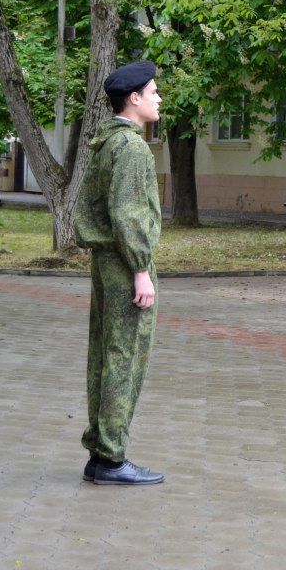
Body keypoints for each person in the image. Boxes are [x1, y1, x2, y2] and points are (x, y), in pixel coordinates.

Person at [73, 61, 165, 486]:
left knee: (106, 355)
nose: (159, 98)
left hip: (107, 262)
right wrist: (141, 270)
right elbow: (128, 216)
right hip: (124, 264)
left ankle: (100, 452)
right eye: (153, 92)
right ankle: (111, 458)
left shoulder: (107, 143)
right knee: (124, 358)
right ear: (134, 99)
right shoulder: (131, 148)